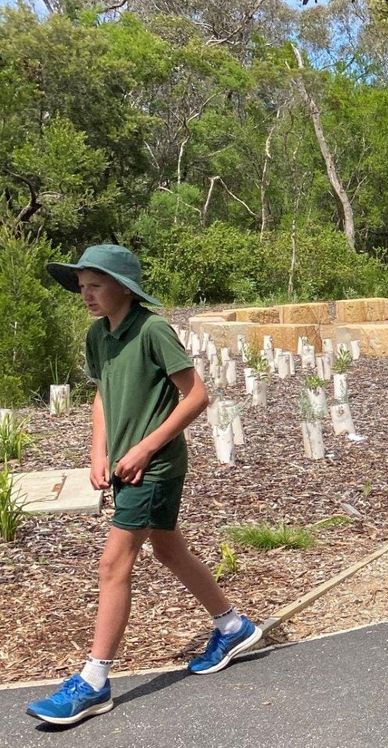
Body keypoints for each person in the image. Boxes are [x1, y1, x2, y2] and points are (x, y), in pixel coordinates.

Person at [27, 245, 262, 726]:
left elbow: (196, 395)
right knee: (169, 550)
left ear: (123, 288)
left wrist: (144, 449)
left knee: (113, 563)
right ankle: (233, 625)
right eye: (82, 285)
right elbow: (102, 395)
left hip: (151, 468)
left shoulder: (153, 329)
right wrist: (99, 452)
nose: (85, 293)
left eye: (94, 284)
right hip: (124, 463)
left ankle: (94, 681)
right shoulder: (100, 335)